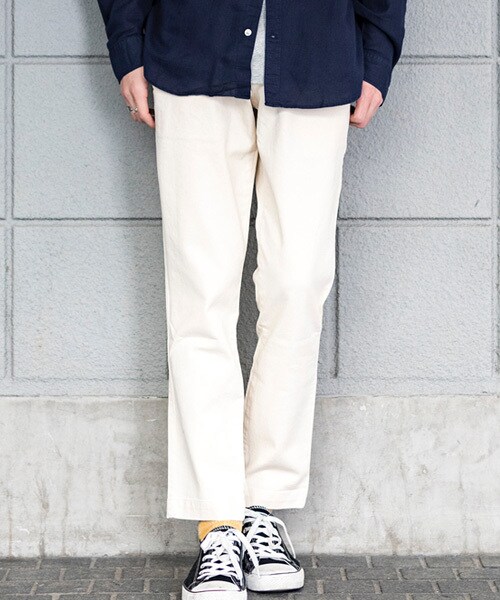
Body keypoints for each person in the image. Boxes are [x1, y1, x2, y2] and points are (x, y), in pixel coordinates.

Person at [96, 0, 407, 598]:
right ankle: (218, 522)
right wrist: (127, 44)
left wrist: (378, 54)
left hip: (318, 59)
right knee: (200, 296)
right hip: (192, 52)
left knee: (298, 287)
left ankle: (262, 506)